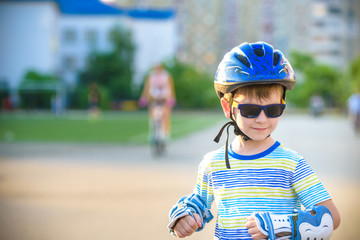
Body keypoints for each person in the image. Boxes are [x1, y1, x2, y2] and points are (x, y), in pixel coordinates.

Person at [167, 42, 340, 240]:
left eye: (273, 110)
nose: (262, 119)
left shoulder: (291, 163)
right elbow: (199, 203)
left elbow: (331, 217)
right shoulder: (212, 164)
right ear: (227, 107)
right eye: (250, 110)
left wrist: (284, 226)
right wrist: (186, 216)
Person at [139, 63, 176, 139]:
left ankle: (165, 134)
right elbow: (147, 88)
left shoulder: (166, 76)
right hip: (154, 98)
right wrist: (144, 97)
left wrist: (171, 98)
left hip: (164, 98)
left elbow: (170, 88)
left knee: (165, 115)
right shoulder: (151, 76)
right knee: (152, 115)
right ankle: (153, 132)